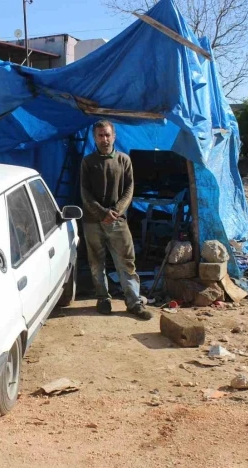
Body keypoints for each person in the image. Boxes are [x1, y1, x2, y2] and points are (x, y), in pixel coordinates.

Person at [80, 119, 152, 320]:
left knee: (126, 262)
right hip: (93, 222)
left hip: (118, 221)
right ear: (94, 138)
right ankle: (103, 299)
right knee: (96, 263)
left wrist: (116, 211)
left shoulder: (124, 160)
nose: (104, 139)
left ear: (114, 136)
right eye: (100, 135)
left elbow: (129, 189)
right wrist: (102, 213)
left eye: (107, 135)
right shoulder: (88, 162)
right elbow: (84, 193)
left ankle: (134, 303)